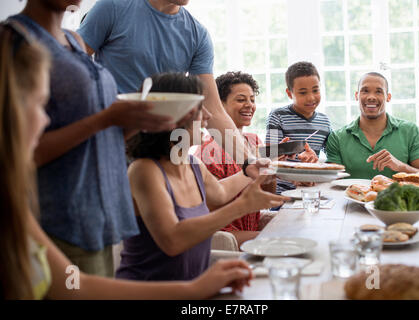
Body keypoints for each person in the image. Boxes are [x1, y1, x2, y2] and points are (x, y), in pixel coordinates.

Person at [0, 21, 252, 300]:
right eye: (39, 104)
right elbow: (172, 239)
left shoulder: (17, 212)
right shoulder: (144, 171)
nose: (46, 119)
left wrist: (196, 288)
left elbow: (75, 285)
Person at [8, 0, 180, 277]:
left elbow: (99, 135)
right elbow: (16, 152)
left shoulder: (75, 42)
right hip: (58, 219)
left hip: (100, 216)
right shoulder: (14, 41)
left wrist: (138, 121)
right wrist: (106, 118)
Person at [116, 72, 289, 281]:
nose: (208, 116)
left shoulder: (192, 164)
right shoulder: (144, 170)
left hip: (190, 288)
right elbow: (173, 241)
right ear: (173, 116)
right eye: (200, 108)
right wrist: (242, 206)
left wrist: (249, 171)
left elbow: (221, 192)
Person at [78, 0, 251, 163]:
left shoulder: (197, 34)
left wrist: (249, 162)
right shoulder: (112, 7)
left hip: (161, 149)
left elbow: (214, 110)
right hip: (111, 142)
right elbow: (70, 65)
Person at [194, 71, 276, 246]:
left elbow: (268, 194)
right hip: (225, 236)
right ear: (219, 105)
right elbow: (210, 207)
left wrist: (272, 167)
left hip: (250, 228)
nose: (249, 105)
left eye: (252, 100)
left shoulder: (254, 141)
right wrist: (251, 171)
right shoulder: (208, 151)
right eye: (241, 100)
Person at [325, 72, 419, 180]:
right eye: (365, 91)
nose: (371, 97)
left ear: (388, 97)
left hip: (398, 199)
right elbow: (331, 181)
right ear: (356, 96)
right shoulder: (337, 138)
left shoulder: (410, 131)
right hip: (352, 199)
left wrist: (401, 167)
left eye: (378, 92)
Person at [266, 61, 332, 194]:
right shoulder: (277, 116)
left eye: (315, 90)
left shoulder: (324, 122)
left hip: (310, 191)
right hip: (281, 193)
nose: (311, 97)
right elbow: (269, 157)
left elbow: (332, 161)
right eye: (303, 93)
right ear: (289, 94)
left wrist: (316, 163)